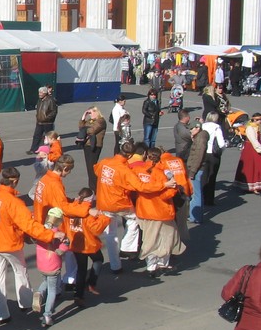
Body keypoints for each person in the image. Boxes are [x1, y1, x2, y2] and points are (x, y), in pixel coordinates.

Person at [0, 167, 62, 325]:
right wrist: (50, 234)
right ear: (15, 181)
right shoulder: (14, 202)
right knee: (20, 271)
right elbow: (29, 225)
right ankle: (25, 303)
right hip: (10, 244)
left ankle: (1, 315)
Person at [94, 141, 175, 272]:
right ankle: (127, 247)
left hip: (103, 202)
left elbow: (96, 170)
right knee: (134, 220)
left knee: (110, 234)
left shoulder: (104, 162)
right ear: (131, 155)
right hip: (120, 204)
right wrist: (164, 185)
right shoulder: (125, 171)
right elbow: (142, 186)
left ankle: (115, 266)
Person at [134, 147, 185, 276]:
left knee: (149, 239)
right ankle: (163, 263)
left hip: (144, 210)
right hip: (162, 211)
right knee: (166, 238)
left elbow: (137, 186)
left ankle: (151, 266)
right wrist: (172, 187)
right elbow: (166, 194)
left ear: (146, 156)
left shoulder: (138, 170)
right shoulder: (162, 173)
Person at [32, 208, 71, 325]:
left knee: (46, 281)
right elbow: (64, 247)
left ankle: (39, 292)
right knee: (52, 290)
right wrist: (63, 248)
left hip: (41, 263)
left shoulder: (41, 230)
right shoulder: (59, 233)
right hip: (53, 265)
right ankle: (47, 315)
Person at [200, 111, 227, 206]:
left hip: (203, 153)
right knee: (211, 177)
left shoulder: (202, 126)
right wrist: (221, 151)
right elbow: (221, 144)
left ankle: (201, 197)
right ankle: (209, 200)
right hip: (213, 155)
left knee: (203, 177)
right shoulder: (217, 128)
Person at [78, 106, 108, 189]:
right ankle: (92, 186)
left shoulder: (101, 121)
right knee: (89, 167)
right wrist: (83, 118)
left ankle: (96, 187)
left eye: (90, 113)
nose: (90, 115)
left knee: (92, 167)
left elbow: (92, 130)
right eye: (89, 113)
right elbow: (81, 128)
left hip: (95, 145)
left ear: (96, 112)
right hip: (86, 145)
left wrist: (85, 129)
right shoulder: (90, 121)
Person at [235, 113, 261, 195]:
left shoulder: (257, 127)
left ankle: (257, 185)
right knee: (252, 166)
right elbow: (253, 140)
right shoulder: (250, 128)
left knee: (258, 166)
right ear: (254, 120)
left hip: (255, 147)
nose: (260, 121)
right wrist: (260, 149)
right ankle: (253, 187)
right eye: (259, 120)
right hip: (251, 149)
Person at [29, 87, 58, 154]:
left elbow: (53, 112)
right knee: (36, 136)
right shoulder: (40, 100)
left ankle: (53, 149)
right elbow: (38, 110)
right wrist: (38, 117)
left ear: (45, 93)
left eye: (41, 92)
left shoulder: (51, 100)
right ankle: (33, 149)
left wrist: (46, 118)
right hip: (39, 122)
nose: (39, 94)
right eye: (39, 92)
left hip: (48, 123)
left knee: (50, 137)